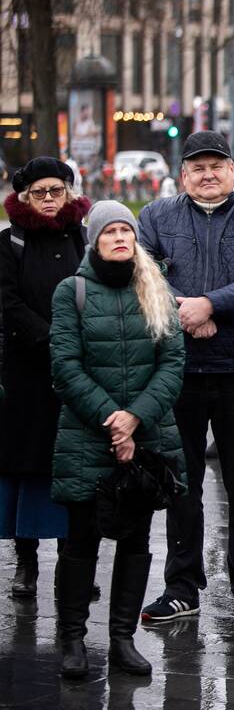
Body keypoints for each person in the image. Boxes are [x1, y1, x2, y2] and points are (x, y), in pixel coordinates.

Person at [137, 131, 234, 626]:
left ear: (233, 171)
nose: (207, 174)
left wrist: (211, 306)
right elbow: (146, 273)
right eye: (197, 167)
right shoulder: (155, 217)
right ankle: (182, 586)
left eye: (216, 165)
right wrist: (186, 310)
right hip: (176, 371)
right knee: (182, 482)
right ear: (183, 175)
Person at [49, 201, 185, 678]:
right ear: (95, 241)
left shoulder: (156, 288)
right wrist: (114, 421)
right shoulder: (73, 291)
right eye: (110, 231)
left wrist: (135, 420)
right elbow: (65, 368)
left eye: (127, 229)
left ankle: (123, 639)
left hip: (148, 437)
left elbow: (173, 364)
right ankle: (72, 640)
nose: (120, 237)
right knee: (80, 540)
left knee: (136, 539)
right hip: (87, 439)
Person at [0, 157, 91, 598]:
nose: (51, 200)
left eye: (57, 191)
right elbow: (8, 301)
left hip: (79, 375)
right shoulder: (10, 241)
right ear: (26, 197)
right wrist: (51, 337)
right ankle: (27, 560)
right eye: (41, 192)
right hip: (27, 375)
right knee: (27, 466)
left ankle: (73, 562)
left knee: (75, 465)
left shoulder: (84, 238)